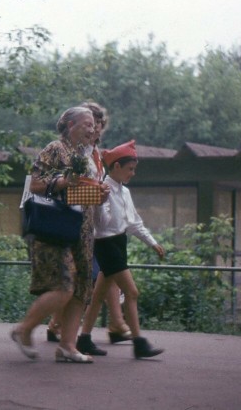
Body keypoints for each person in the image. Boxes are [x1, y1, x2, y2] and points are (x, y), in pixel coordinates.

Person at [11, 106, 98, 363]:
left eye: (93, 125)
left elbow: (77, 195)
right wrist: (62, 181)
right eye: (86, 124)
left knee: (82, 287)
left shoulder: (87, 154)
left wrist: (98, 194)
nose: (92, 129)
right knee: (63, 287)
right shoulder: (55, 149)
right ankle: (23, 329)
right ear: (70, 125)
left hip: (82, 230)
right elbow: (35, 185)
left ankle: (67, 347)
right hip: (56, 229)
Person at [83, 140, 165, 359]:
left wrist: (152, 242)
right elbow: (101, 223)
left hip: (119, 243)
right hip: (106, 244)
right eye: (130, 169)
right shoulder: (103, 187)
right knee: (132, 292)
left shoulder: (125, 192)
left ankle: (83, 338)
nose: (133, 173)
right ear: (116, 166)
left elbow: (133, 222)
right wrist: (101, 200)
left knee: (98, 295)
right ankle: (139, 342)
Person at [76, 102, 132, 356]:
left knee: (103, 277)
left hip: (94, 223)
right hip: (81, 221)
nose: (96, 129)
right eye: (91, 123)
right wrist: (98, 193)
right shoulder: (80, 153)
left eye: (98, 124)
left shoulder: (97, 153)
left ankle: (109, 325)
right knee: (99, 277)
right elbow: (77, 187)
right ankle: (116, 324)